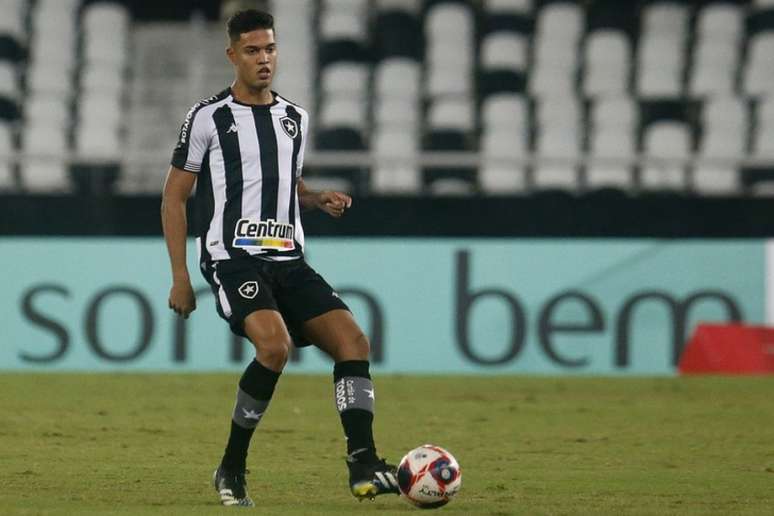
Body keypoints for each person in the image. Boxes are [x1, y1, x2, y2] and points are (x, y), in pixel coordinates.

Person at [160, 9, 398, 507]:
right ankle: (231, 468)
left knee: (354, 342)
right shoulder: (207, 117)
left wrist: (314, 199)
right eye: (252, 50)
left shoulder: (294, 117)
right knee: (274, 347)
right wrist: (181, 276)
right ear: (233, 55)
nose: (264, 58)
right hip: (233, 258)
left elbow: (285, 183)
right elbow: (174, 197)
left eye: (270, 48)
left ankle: (363, 463)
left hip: (289, 257)